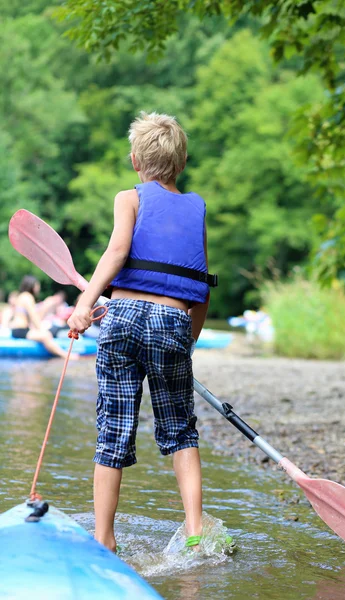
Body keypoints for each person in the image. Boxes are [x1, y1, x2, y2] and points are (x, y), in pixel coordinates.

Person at [67, 111, 222, 554]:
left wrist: (85, 303)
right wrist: (185, 342)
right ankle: (195, 531)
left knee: (113, 429)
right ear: (183, 162)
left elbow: (117, 251)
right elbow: (202, 285)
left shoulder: (128, 197)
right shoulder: (196, 208)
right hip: (174, 321)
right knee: (181, 432)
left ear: (136, 161)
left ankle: (104, 539)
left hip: (123, 317)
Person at [8, 275, 79, 360]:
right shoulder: (28, 297)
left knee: (45, 334)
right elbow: (34, 317)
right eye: (37, 285)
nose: (38, 288)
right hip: (20, 330)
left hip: (18, 330)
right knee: (46, 335)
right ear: (32, 285)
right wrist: (42, 330)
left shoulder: (21, 296)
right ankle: (65, 355)